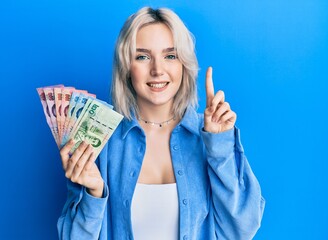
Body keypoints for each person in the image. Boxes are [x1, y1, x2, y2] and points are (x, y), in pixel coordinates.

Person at [57, 6, 265, 240]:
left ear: (183, 65)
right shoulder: (100, 140)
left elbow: (243, 227)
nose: (157, 70)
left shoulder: (211, 135)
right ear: (127, 68)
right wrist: (94, 193)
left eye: (170, 56)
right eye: (143, 56)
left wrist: (220, 146)